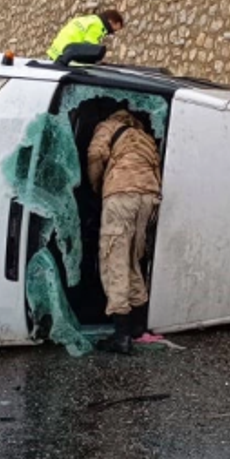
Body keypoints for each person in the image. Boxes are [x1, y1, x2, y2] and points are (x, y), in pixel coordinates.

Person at [87, 108, 162, 354]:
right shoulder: (144, 137)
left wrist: (96, 186)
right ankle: (138, 325)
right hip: (149, 197)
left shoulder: (107, 126)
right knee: (133, 258)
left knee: (114, 259)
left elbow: (96, 154)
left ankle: (121, 336)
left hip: (120, 194)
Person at [46, 9, 124, 61]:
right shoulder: (98, 26)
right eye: (115, 29)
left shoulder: (91, 19)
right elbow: (89, 47)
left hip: (55, 53)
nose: (113, 32)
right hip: (65, 58)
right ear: (111, 21)